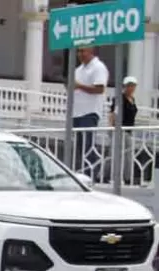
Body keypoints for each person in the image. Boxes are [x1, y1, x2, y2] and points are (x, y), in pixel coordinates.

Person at [72, 47, 109, 175]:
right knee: (79, 146)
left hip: (89, 112)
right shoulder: (78, 69)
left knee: (88, 146)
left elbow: (99, 89)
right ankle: (82, 173)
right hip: (76, 112)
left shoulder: (98, 67)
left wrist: (79, 86)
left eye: (83, 51)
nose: (80, 54)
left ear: (91, 51)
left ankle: (91, 174)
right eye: (78, 51)